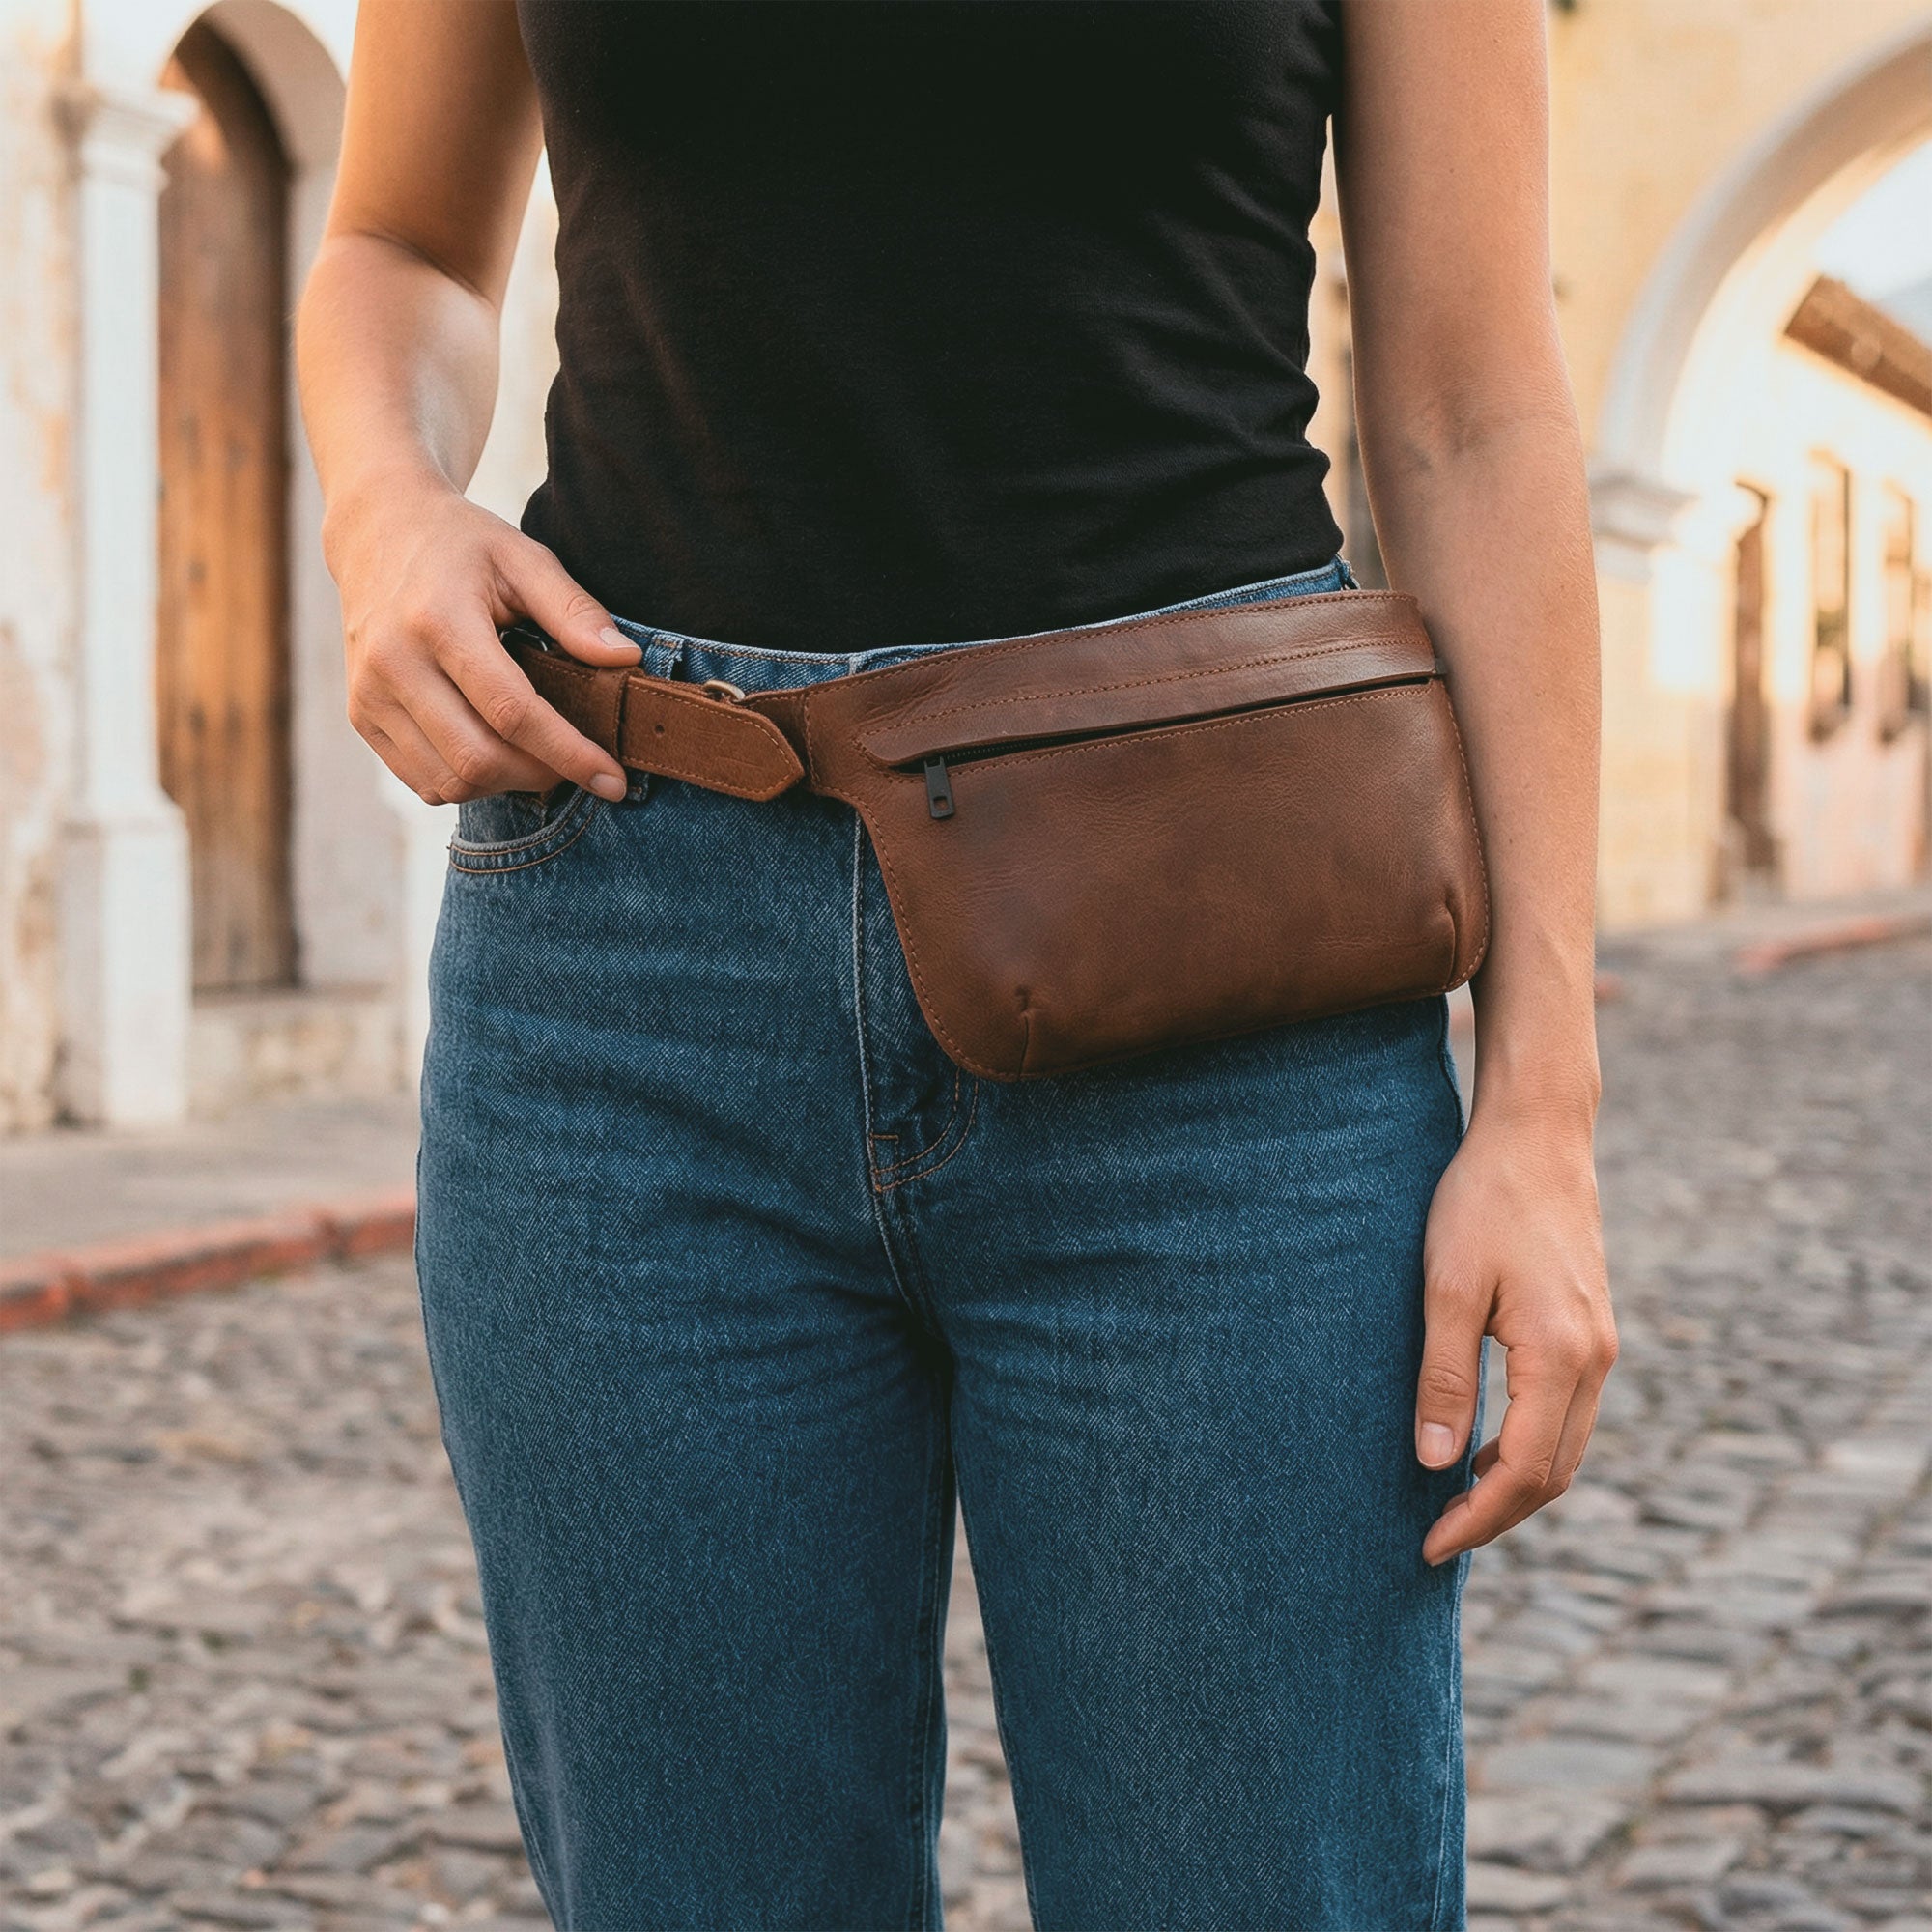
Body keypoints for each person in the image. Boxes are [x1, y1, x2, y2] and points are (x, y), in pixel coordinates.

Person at [296, 4, 1617, 1926]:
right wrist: (384, 506)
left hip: (1221, 990)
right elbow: (397, 245)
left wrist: (1542, 1098)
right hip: (628, 959)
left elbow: (1472, 416)